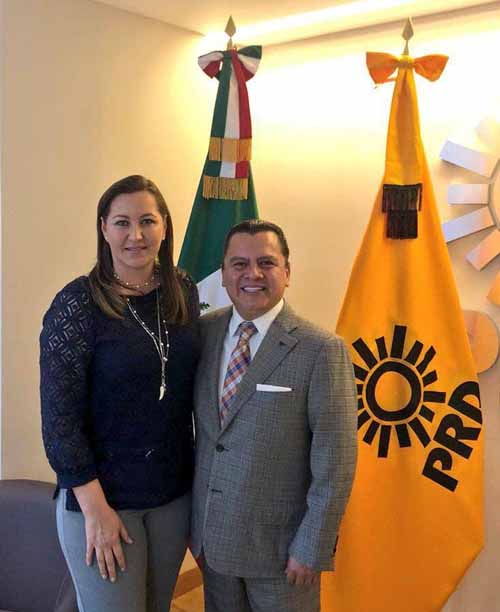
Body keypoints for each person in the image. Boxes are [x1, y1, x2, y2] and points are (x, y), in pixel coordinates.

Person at [40, 175, 199, 612]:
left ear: (164, 226)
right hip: (103, 500)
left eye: (147, 221)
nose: (136, 235)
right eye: (122, 222)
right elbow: (59, 421)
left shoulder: (182, 291)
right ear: (104, 228)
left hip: (170, 496)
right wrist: (96, 510)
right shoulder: (77, 304)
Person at [191, 219, 358, 612]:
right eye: (239, 264)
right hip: (213, 544)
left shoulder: (321, 350)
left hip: (283, 556)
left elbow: (336, 461)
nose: (252, 274)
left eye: (266, 262)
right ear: (224, 274)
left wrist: (312, 546)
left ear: (287, 272)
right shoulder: (203, 333)